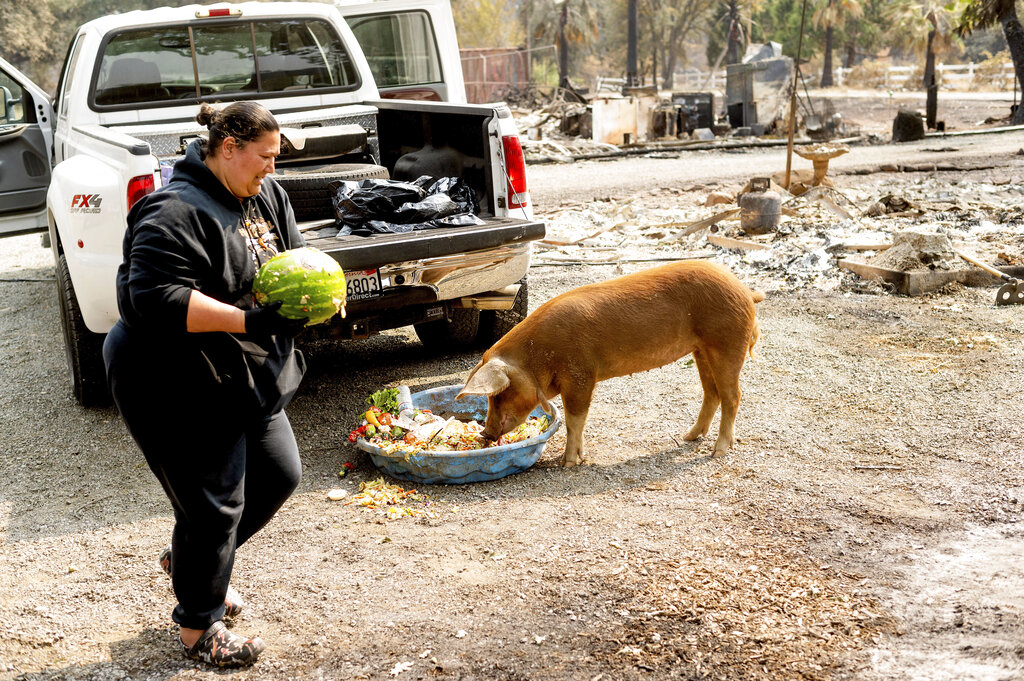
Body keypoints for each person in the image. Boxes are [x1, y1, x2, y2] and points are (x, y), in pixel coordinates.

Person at [103, 101, 308, 667]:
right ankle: (199, 628)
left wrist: (313, 292)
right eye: (264, 157)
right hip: (169, 376)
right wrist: (250, 320)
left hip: (239, 369)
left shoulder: (265, 195)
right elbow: (152, 299)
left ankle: (188, 564)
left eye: (276, 156)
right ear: (228, 149)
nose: (273, 167)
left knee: (278, 473)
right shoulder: (173, 212)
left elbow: (290, 259)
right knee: (215, 506)